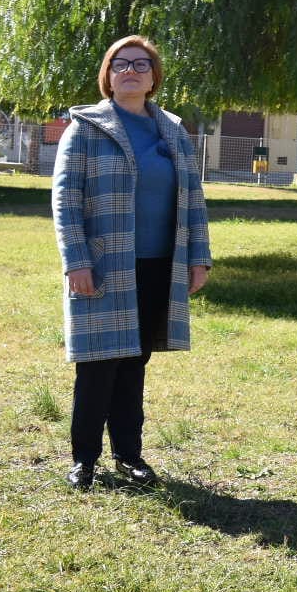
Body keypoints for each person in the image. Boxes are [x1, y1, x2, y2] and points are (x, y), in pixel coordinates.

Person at [52, 35, 212, 490]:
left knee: (134, 361)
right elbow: (65, 202)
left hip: (159, 263)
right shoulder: (85, 128)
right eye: (121, 64)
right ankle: (84, 458)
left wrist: (198, 259)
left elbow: (194, 201)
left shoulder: (173, 131)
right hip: (103, 265)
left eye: (141, 64)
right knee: (98, 363)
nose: (131, 71)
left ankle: (129, 455)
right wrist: (76, 262)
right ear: (108, 74)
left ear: (154, 76)